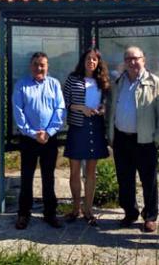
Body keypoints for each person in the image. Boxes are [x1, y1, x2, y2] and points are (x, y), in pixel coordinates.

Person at [107, 46, 159, 232]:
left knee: (149, 180)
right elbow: (110, 109)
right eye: (128, 59)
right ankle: (130, 213)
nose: (132, 62)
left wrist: (157, 139)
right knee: (125, 179)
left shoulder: (156, 83)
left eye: (136, 58)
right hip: (121, 139)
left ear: (144, 60)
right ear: (124, 62)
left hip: (145, 140)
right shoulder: (118, 82)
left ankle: (150, 216)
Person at [12, 51, 66, 230]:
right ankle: (23, 214)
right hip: (28, 139)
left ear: (47, 66)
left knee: (48, 177)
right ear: (30, 66)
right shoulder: (21, 85)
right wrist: (33, 133)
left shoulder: (54, 84)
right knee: (26, 177)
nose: (39, 68)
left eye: (42, 64)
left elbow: (60, 109)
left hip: (49, 139)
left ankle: (50, 214)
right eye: (35, 64)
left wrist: (48, 132)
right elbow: (18, 113)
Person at [62, 48, 111, 226]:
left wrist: (102, 109)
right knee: (74, 171)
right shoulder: (72, 78)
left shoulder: (102, 81)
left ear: (98, 63)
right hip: (77, 126)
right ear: (83, 61)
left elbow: (107, 102)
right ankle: (76, 208)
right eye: (89, 59)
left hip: (95, 127)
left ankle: (88, 210)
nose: (91, 62)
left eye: (95, 60)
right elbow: (64, 102)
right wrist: (81, 108)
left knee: (91, 171)